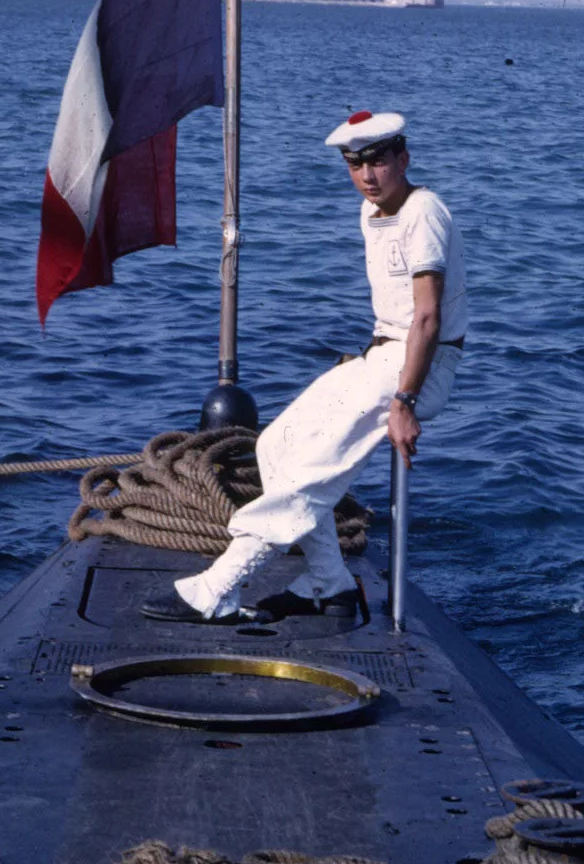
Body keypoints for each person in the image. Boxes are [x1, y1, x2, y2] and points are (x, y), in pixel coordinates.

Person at [144, 109, 467, 625]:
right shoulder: (371, 211)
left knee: (311, 474)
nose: (367, 176)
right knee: (276, 445)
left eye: (379, 162)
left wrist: (404, 401)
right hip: (383, 353)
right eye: (355, 165)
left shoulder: (423, 212)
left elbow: (427, 317)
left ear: (403, 159)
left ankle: (217, 588)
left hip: (419, 363)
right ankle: (328, 583)